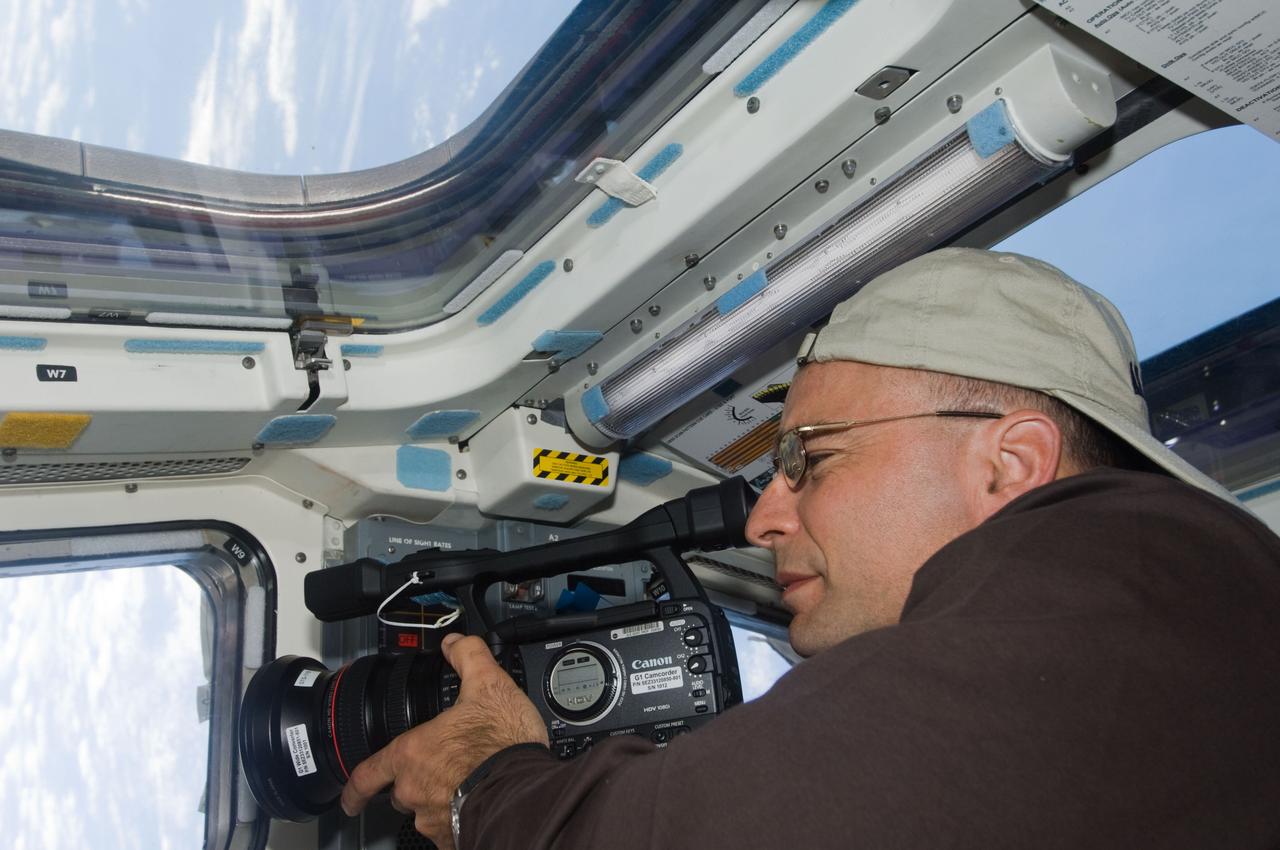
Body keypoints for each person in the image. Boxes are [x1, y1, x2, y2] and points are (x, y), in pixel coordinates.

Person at [341, 248, 1280, 849]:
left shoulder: (1120, 597)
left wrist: (487, 784)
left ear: (1010, 463)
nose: (761, 521)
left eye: (810, 459)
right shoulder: (1184, 625)